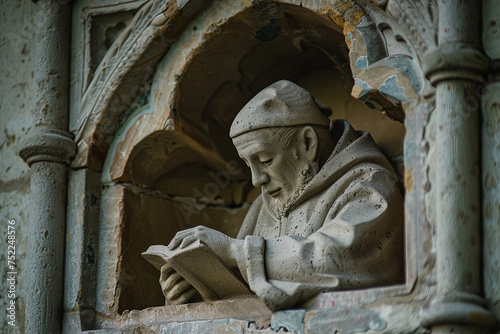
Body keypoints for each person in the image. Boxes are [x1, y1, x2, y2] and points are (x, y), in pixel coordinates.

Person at [160, 80, 404, 311]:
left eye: (265, 160)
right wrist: (196, 290)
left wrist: (234, 252)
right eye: (248, 164)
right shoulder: (264, 204)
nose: (257, 179)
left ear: (307, 143)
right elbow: (247, 291)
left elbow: (340, 258)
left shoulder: (368, 185)